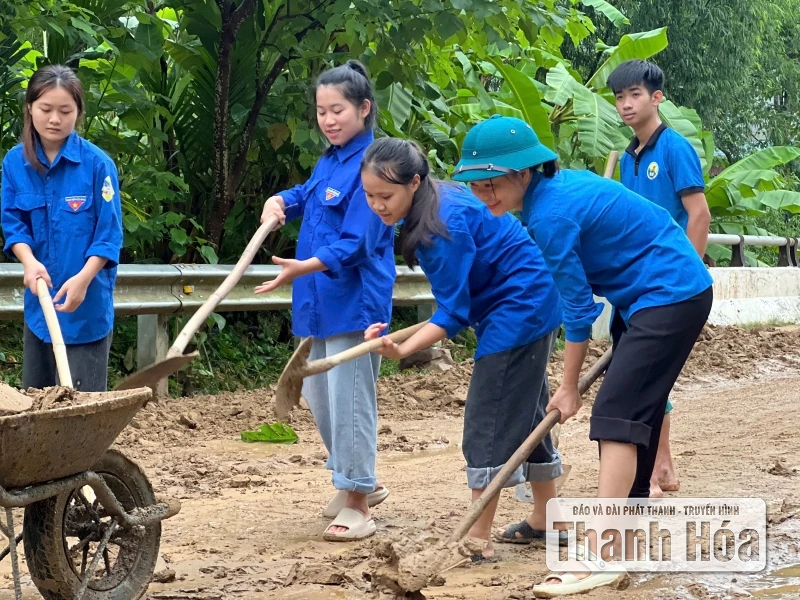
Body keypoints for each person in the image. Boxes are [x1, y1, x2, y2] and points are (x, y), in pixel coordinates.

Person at [452, 115, 713, 595]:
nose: (485, 195)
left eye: (492, 184)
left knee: (616, 413)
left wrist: (568, 388)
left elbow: (577, 312)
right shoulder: (548, 198)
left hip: (669, 292)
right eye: (475, 185)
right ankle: (624, 536)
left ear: (524, 172)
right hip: (650, 293)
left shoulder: (551, 213)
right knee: (639, 414)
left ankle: (601, 551)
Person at [360, 137, 566, 561]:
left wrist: (402, 350)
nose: (377, 205)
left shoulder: (442, 225)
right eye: (369, 196)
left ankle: (478, 537)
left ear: (414, 183)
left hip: (520, 306)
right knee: (527, 410)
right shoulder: (433, 201)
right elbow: (459, 302)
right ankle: (547, 519)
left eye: (386, 196)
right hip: (518, 301)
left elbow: (453, 312)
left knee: (487, 422)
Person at [256, 61, 394, 541]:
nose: (329, 119)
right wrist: (281, 201)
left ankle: (357, 498)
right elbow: (309, 195)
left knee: (349, 398)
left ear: (364, 108)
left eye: (338, 110)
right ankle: (359, 481)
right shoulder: (330, 159)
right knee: (319, 395)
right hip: (318, 302)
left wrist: (302, 266)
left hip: (354, 302)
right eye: (321, 111)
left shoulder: (376, 165)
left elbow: (359, 242)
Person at [609, 59, 711, 498]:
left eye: (635, 95)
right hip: (634, 285)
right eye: (619, 97)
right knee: (643, 378)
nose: (626, 104)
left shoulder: (674, 148)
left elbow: (699, 214)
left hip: (665, 286)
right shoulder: (629, 156)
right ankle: (661, 467)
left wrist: (684, 276)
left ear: (657, 98)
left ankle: (657, 468)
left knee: (645, 379)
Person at [1, 65, 122, 392]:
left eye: (65, 111)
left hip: (87, 311)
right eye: (46, 109)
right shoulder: (14, 163)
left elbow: (109, 235)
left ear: (78, 112)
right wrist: (29, 262)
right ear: (30, 108)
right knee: (36, 407)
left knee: (81, 412)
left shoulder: (98, 165)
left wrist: (83, 280)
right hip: (40, 311)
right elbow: (13, 224)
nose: (55, 119)